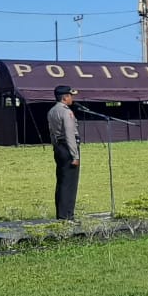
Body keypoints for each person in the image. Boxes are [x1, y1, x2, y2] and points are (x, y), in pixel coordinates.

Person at [47, 86, 81, 220]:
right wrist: (75, 155)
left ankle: (61, 214)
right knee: (70, 183)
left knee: (62, 181)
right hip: (68, 148)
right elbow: (69, 135)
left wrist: (56, 147)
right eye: (70, 95)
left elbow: (51, 132)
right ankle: (67, 216)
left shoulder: (52, 111)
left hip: (59, 147)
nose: (72, 98)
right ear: (65, 97)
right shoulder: (67, 112)